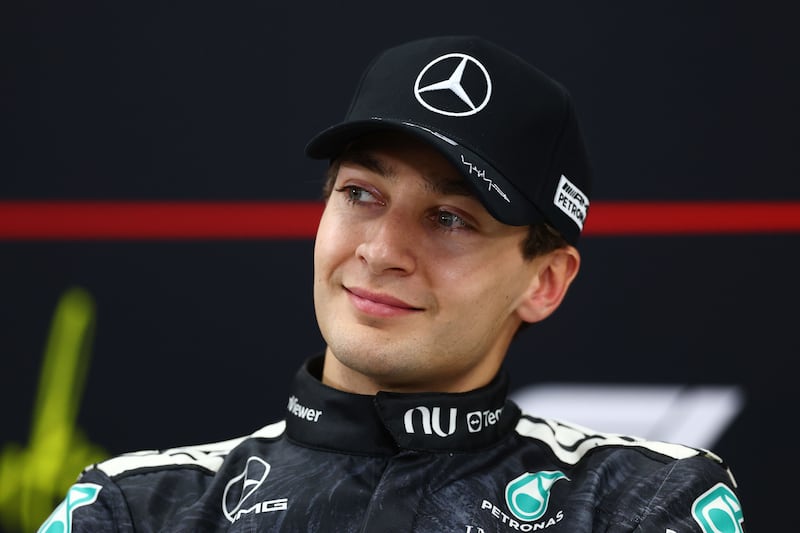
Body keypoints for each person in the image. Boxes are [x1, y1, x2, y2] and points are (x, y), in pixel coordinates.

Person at [38, 35, 745, 533]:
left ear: (546, 281)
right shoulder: (137, 507)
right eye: (361, 194)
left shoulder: (639, 502)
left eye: (449, 218)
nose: (380, 251)